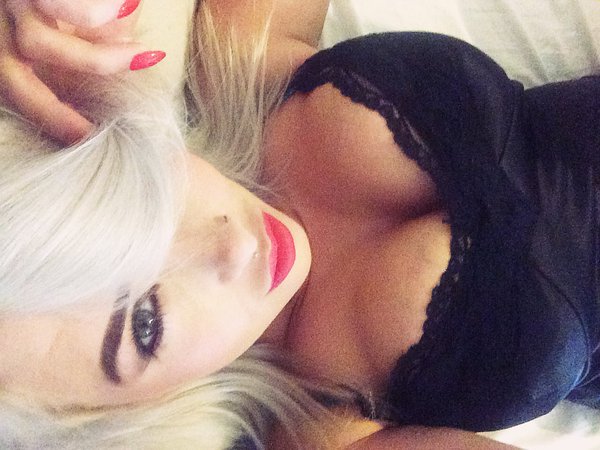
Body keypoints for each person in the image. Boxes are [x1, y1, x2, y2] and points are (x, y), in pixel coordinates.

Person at [0, 0, 597, 448]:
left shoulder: (241, 64)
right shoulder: (321, 427)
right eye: (147, 324)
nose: (234, 246)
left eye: (131, 198)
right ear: (126, 416)